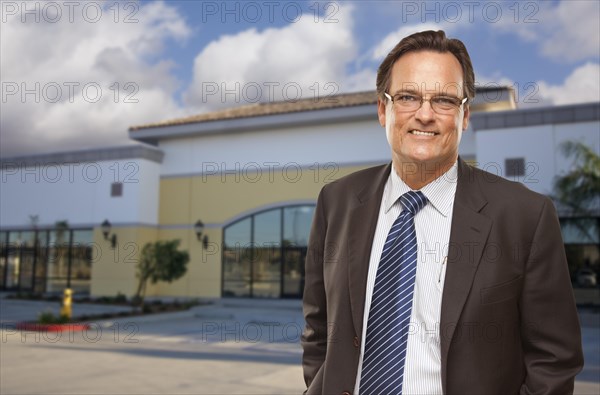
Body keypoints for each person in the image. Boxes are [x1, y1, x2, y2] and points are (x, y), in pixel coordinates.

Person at [301, 30, 583, 395]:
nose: (424, 114)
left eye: (444, 100)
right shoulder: (336, 201)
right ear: (383, 109)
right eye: (407, 97)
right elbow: (318, 328)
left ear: (465, 115)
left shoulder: (525, 217)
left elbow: (554, 359)